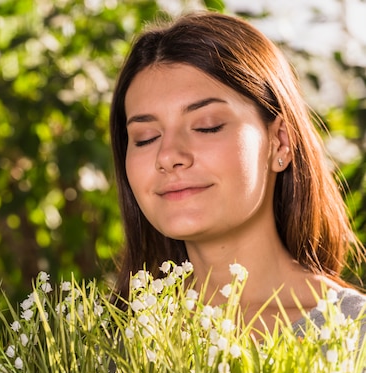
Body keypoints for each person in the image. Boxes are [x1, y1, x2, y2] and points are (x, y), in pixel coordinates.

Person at [109, 11, 366, 331]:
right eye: (145, 138)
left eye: (207, 126)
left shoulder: (355, 336)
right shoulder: (103, 343)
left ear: (280, 143)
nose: (168, 156)